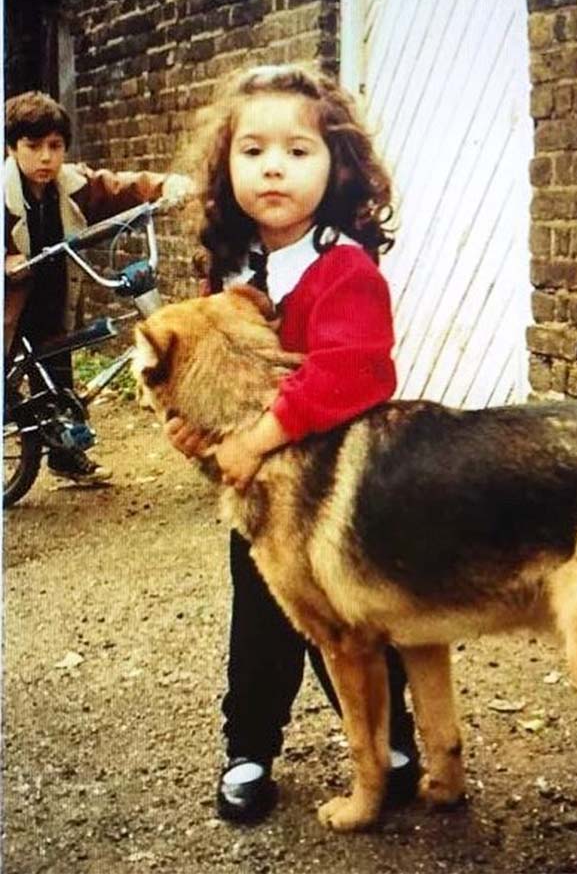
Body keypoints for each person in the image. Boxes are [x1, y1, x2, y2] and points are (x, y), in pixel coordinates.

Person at [166, 63, 419, 823]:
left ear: (337, 167)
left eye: (297, 151)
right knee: (260, 620)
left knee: (350, 621)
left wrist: (260, 438)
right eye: (253, 151)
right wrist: (198, 432)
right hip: (260, 497)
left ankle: (391, 740)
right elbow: (208, 369)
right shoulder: (229, 265)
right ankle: (248, 749)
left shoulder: (345, 266)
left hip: (336, 488)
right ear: (226, 167)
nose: (274, 165)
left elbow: (355, 372)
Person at [4, 90, 191, 484]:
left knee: (58, 382)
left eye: (54, 146)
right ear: (10, 148)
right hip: (9, 306)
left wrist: (166, 186)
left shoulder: (72, 186)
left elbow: (120, 187)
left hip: (51, 303)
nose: (45, 157)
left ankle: (66, 458)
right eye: (32, 146)